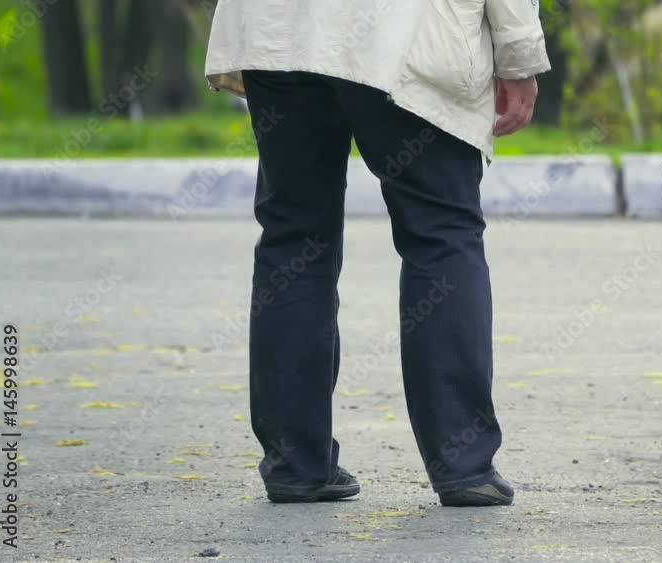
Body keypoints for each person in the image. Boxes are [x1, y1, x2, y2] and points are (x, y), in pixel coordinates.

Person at [204, 0, 550, 507]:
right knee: (441, 234)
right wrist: (518, 55)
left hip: (278, 32)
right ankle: (462, 465)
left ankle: (295, 464)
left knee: (293, 234)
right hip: (406, 35)